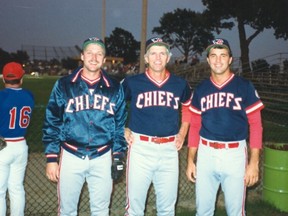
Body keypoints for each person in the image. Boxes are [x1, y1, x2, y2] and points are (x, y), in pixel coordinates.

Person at [42, 37, 127, 216]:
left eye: (99, 54)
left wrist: (118, 156)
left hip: (103, 156)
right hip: (71, 155)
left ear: (104, 59)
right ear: (82, 56)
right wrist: (51, 157)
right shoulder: (64, 85)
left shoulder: (114, 87)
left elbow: (119, 126)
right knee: (67, 211)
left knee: (101, 210)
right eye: (90, 53)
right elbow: (52, 121)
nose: (94, 58)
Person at [186, 38, 264, 216]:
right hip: (206, 153)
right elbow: (195, 125)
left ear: (230, 59)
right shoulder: (201, 89)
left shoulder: (244, 86)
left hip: (234, 154)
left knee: (235, 212)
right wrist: (191, 160)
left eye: (223, 55)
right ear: (208, 60)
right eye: (213, 55)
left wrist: (254, 163)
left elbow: (256, 125)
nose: (218, 60)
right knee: (203, 211)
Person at [123, 37, 192, 216]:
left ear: (168, 57)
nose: (158, 57)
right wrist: (121, 127)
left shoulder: (179, 84)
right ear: (146, 58)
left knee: (167, 209)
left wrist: (183, 133)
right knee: (135, 209)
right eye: (153, 53)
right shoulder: (133, 82)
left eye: (162, 53)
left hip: (169, 149)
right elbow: (113, 103)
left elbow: (188, 106)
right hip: (140, 148)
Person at [0, 62, 35, 216]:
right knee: (16, 187)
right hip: (21, 143)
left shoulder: (1, 96)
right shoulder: (29, 95)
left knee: (0, 191)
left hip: (3, 145)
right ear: (22, 78)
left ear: (3, 79)